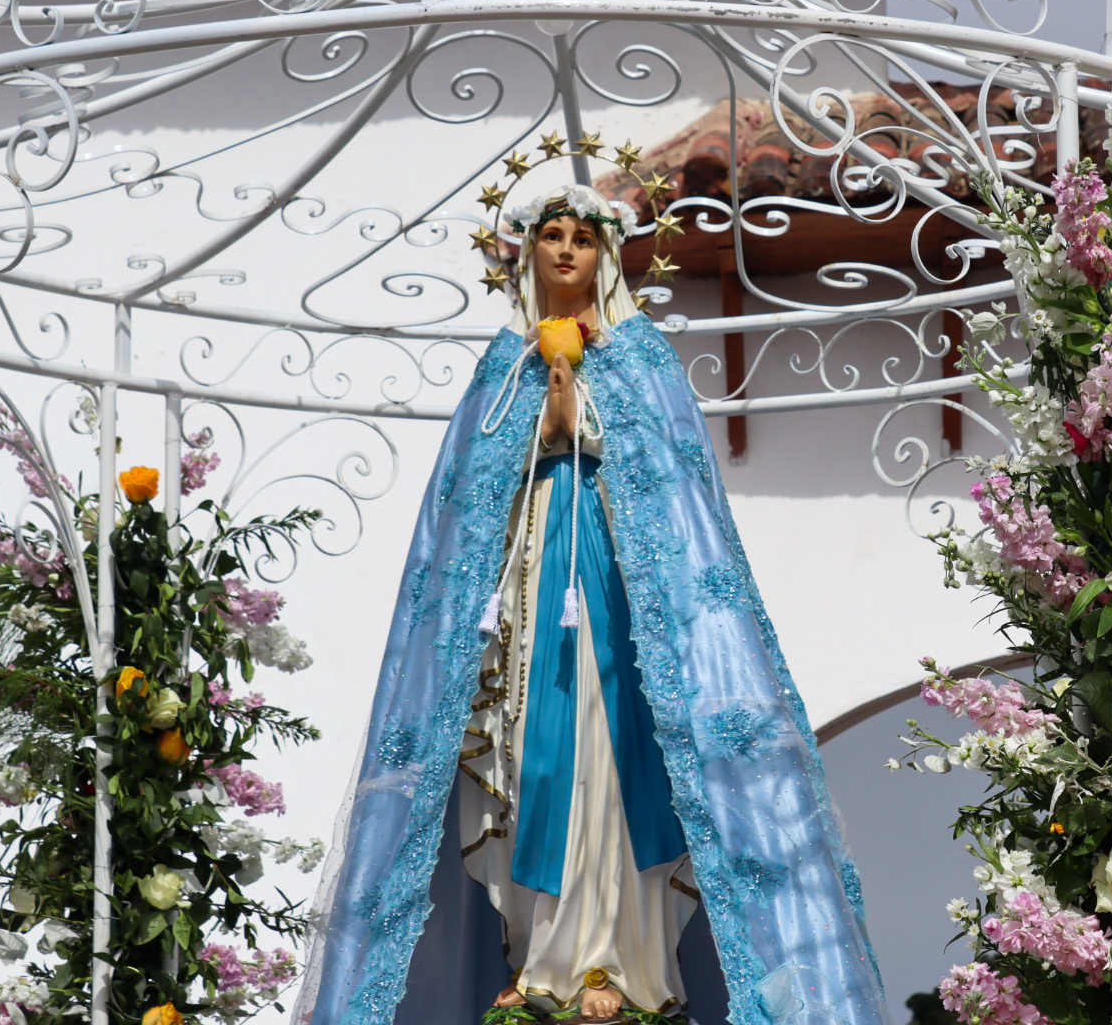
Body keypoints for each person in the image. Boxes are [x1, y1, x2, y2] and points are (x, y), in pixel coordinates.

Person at [294, 185, 888, 1025]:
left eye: (582, 237)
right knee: (539, 758)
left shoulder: (644, 358)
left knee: (617, 756)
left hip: (619, 603)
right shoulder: (502, 368)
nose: (566, 251)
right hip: (535, 608)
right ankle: (548, 958)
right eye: (550, 235)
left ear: (606, 254)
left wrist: (582, 398)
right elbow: (460, 509)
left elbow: (678, 495)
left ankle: (630, 965)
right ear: (526, 251)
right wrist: (546, 407)